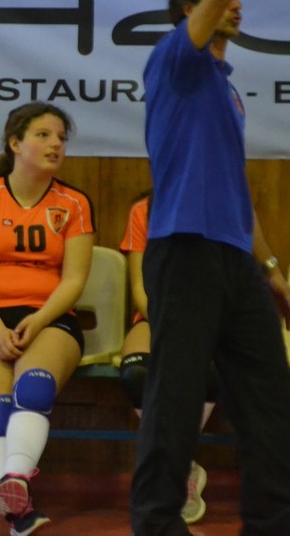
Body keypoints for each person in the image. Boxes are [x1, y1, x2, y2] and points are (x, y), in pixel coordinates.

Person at [130, 0, 290, 534]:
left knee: (268, 391)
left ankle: (272, 521)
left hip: (234, 261)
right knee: (176, 396)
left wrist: (270, 267)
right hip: (182, 252)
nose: (236, 2)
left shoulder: (227, 90)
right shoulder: (174, 60)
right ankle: (156, 523)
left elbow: (236, 189)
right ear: (192, 10)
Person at [0, 102, 95, 536]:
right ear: (15, 144)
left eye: (61, 138)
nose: (56, 145)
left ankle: (14, 481)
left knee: (33, 388)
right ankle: (19, 512)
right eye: (43, 135)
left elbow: (74, 279)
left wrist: (39, 319)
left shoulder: (74, 203)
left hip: (50, 317)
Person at [117, 191, 217, 525]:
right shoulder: (143, 210)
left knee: (212, 368)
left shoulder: (222, 207)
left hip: (206, 321)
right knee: (136, 374)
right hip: (155, 318)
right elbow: (140, 287)